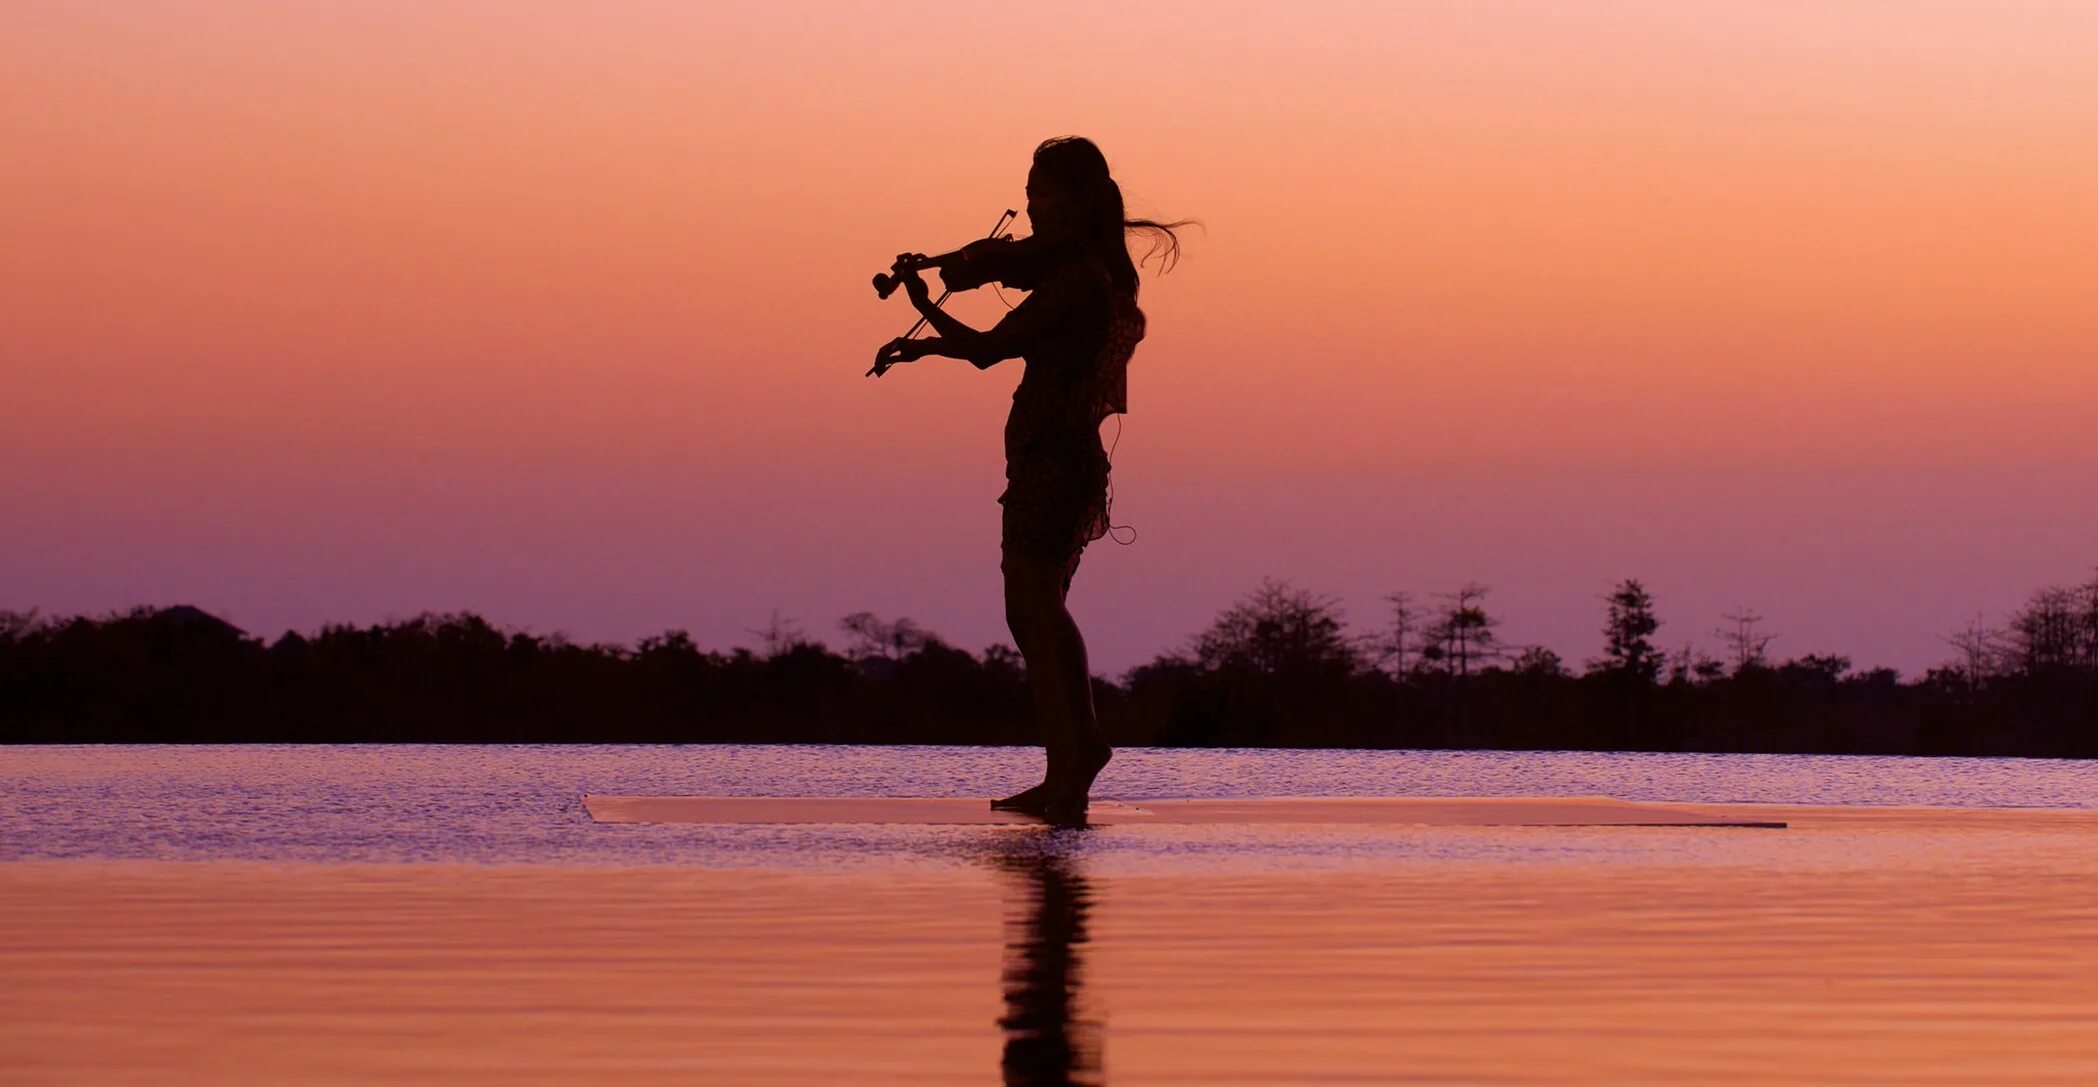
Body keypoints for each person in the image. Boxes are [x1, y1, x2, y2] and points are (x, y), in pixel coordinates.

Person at [872, 136, 1190, 823]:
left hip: (1055, 461)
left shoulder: (1076, 281)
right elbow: (1004, 302)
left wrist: (926, 305)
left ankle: (1077, 757)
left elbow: (988, 350)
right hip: (1053, 459)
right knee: (1035, 610)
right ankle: (1068, 763)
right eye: (1028, 193)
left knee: (1034, 608)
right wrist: (927, 333)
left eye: (1044, 194)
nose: (1031, 207)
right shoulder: (1076, 271)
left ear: (1078, 202)